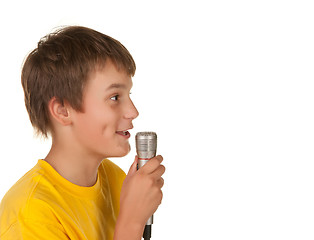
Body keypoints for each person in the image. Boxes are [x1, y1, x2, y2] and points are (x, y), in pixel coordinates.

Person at [0, 26, 165, 240]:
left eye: (128, 94)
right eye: (115, 97)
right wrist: (131, 222)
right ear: (63, 110)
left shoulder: (114, 179)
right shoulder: (31, 214)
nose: (133, 111)